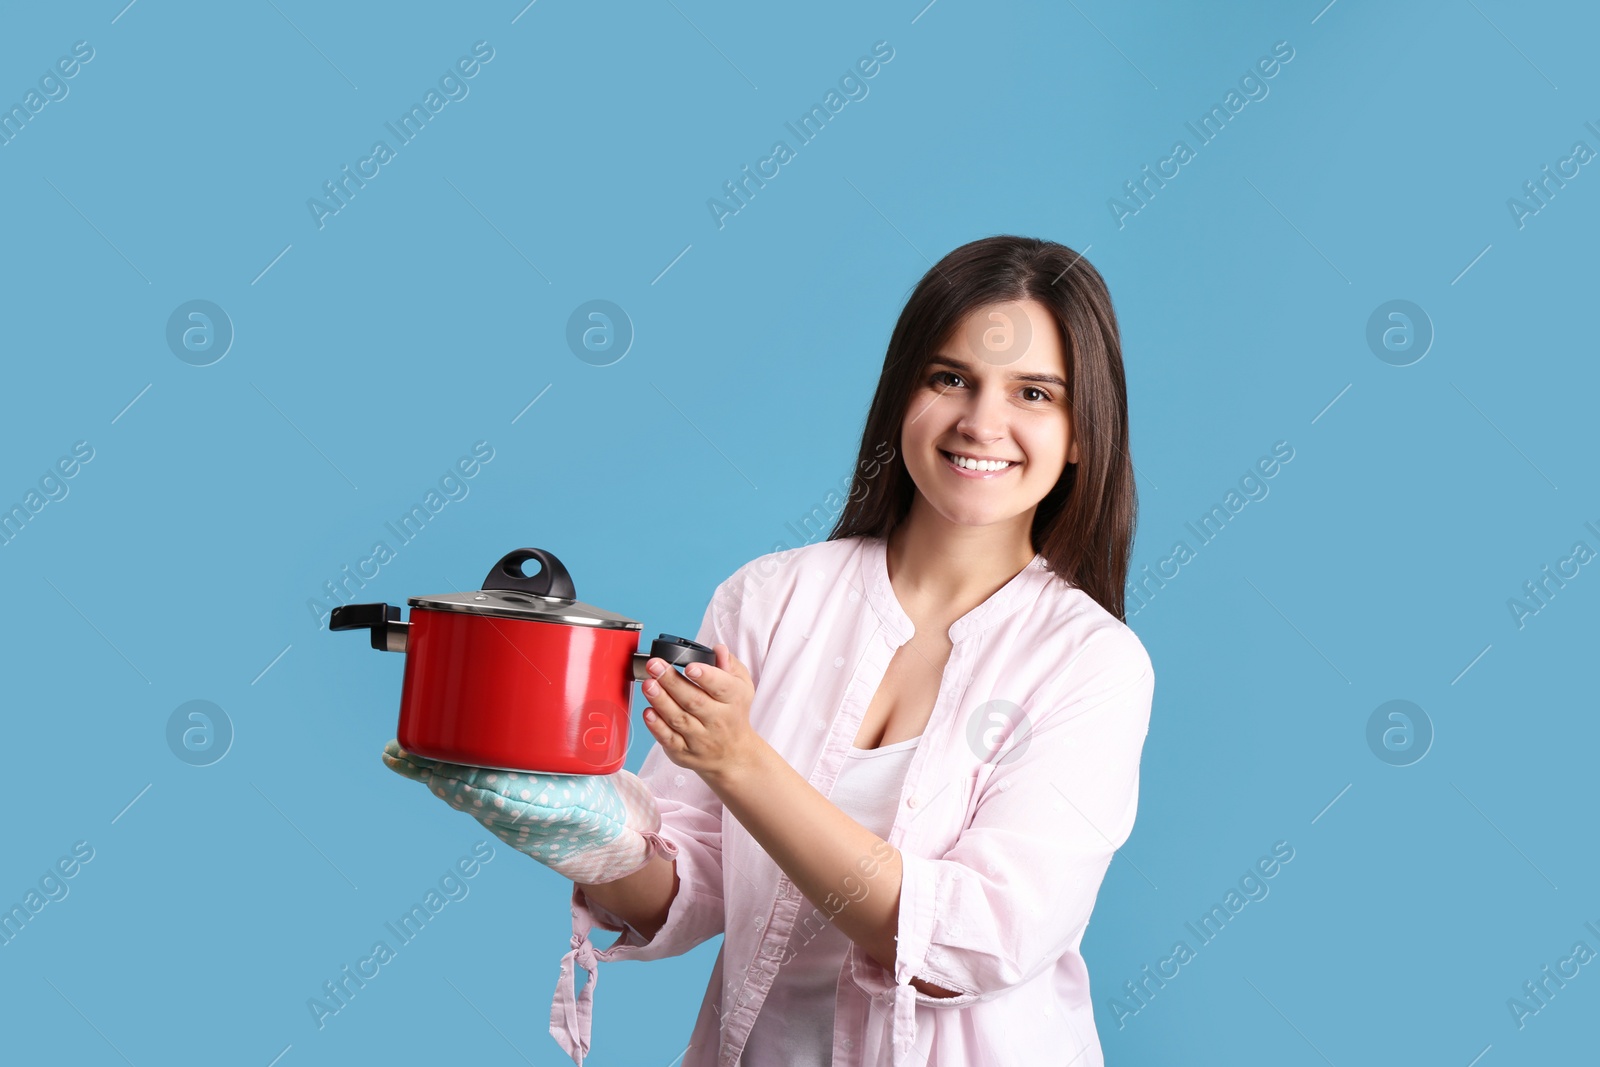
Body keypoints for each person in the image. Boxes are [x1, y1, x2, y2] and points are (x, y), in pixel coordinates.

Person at [383, 234, 1155, 1066]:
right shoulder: (771, 597)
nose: (981, 421)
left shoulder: (1092, 664)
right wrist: (580, 833)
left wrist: (740, 760)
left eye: (1034, 392)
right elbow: (690, 888)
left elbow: (976, 941)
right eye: (950, 377)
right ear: (904, 395)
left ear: (1082, 433)